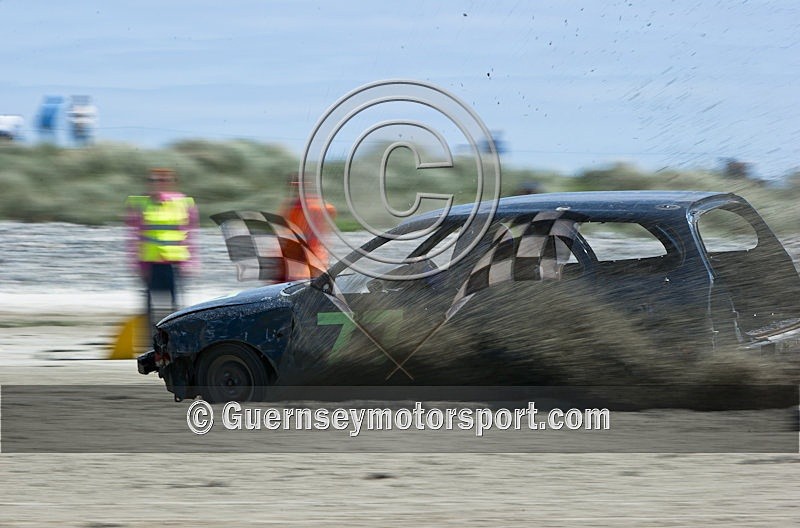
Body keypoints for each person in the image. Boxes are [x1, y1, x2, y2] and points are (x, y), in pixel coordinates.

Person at [126, 168, 198, 330]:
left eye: (164, 180)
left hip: (175, 264)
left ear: (173, 182)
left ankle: (176, 345)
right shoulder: (139, 203)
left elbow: (191, 236)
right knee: (150, 310)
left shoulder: (184, 203)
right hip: (150, 264)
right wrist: (138, 266)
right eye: (153, 180)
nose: (158, 184)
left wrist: (191, 262)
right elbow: (133, 237)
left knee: (176, 310)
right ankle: (150, 346)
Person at [279, 173, 336, 281]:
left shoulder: (317, 207)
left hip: (310, 258)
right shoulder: (290, 207)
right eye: (296, 186)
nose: (297, 189)